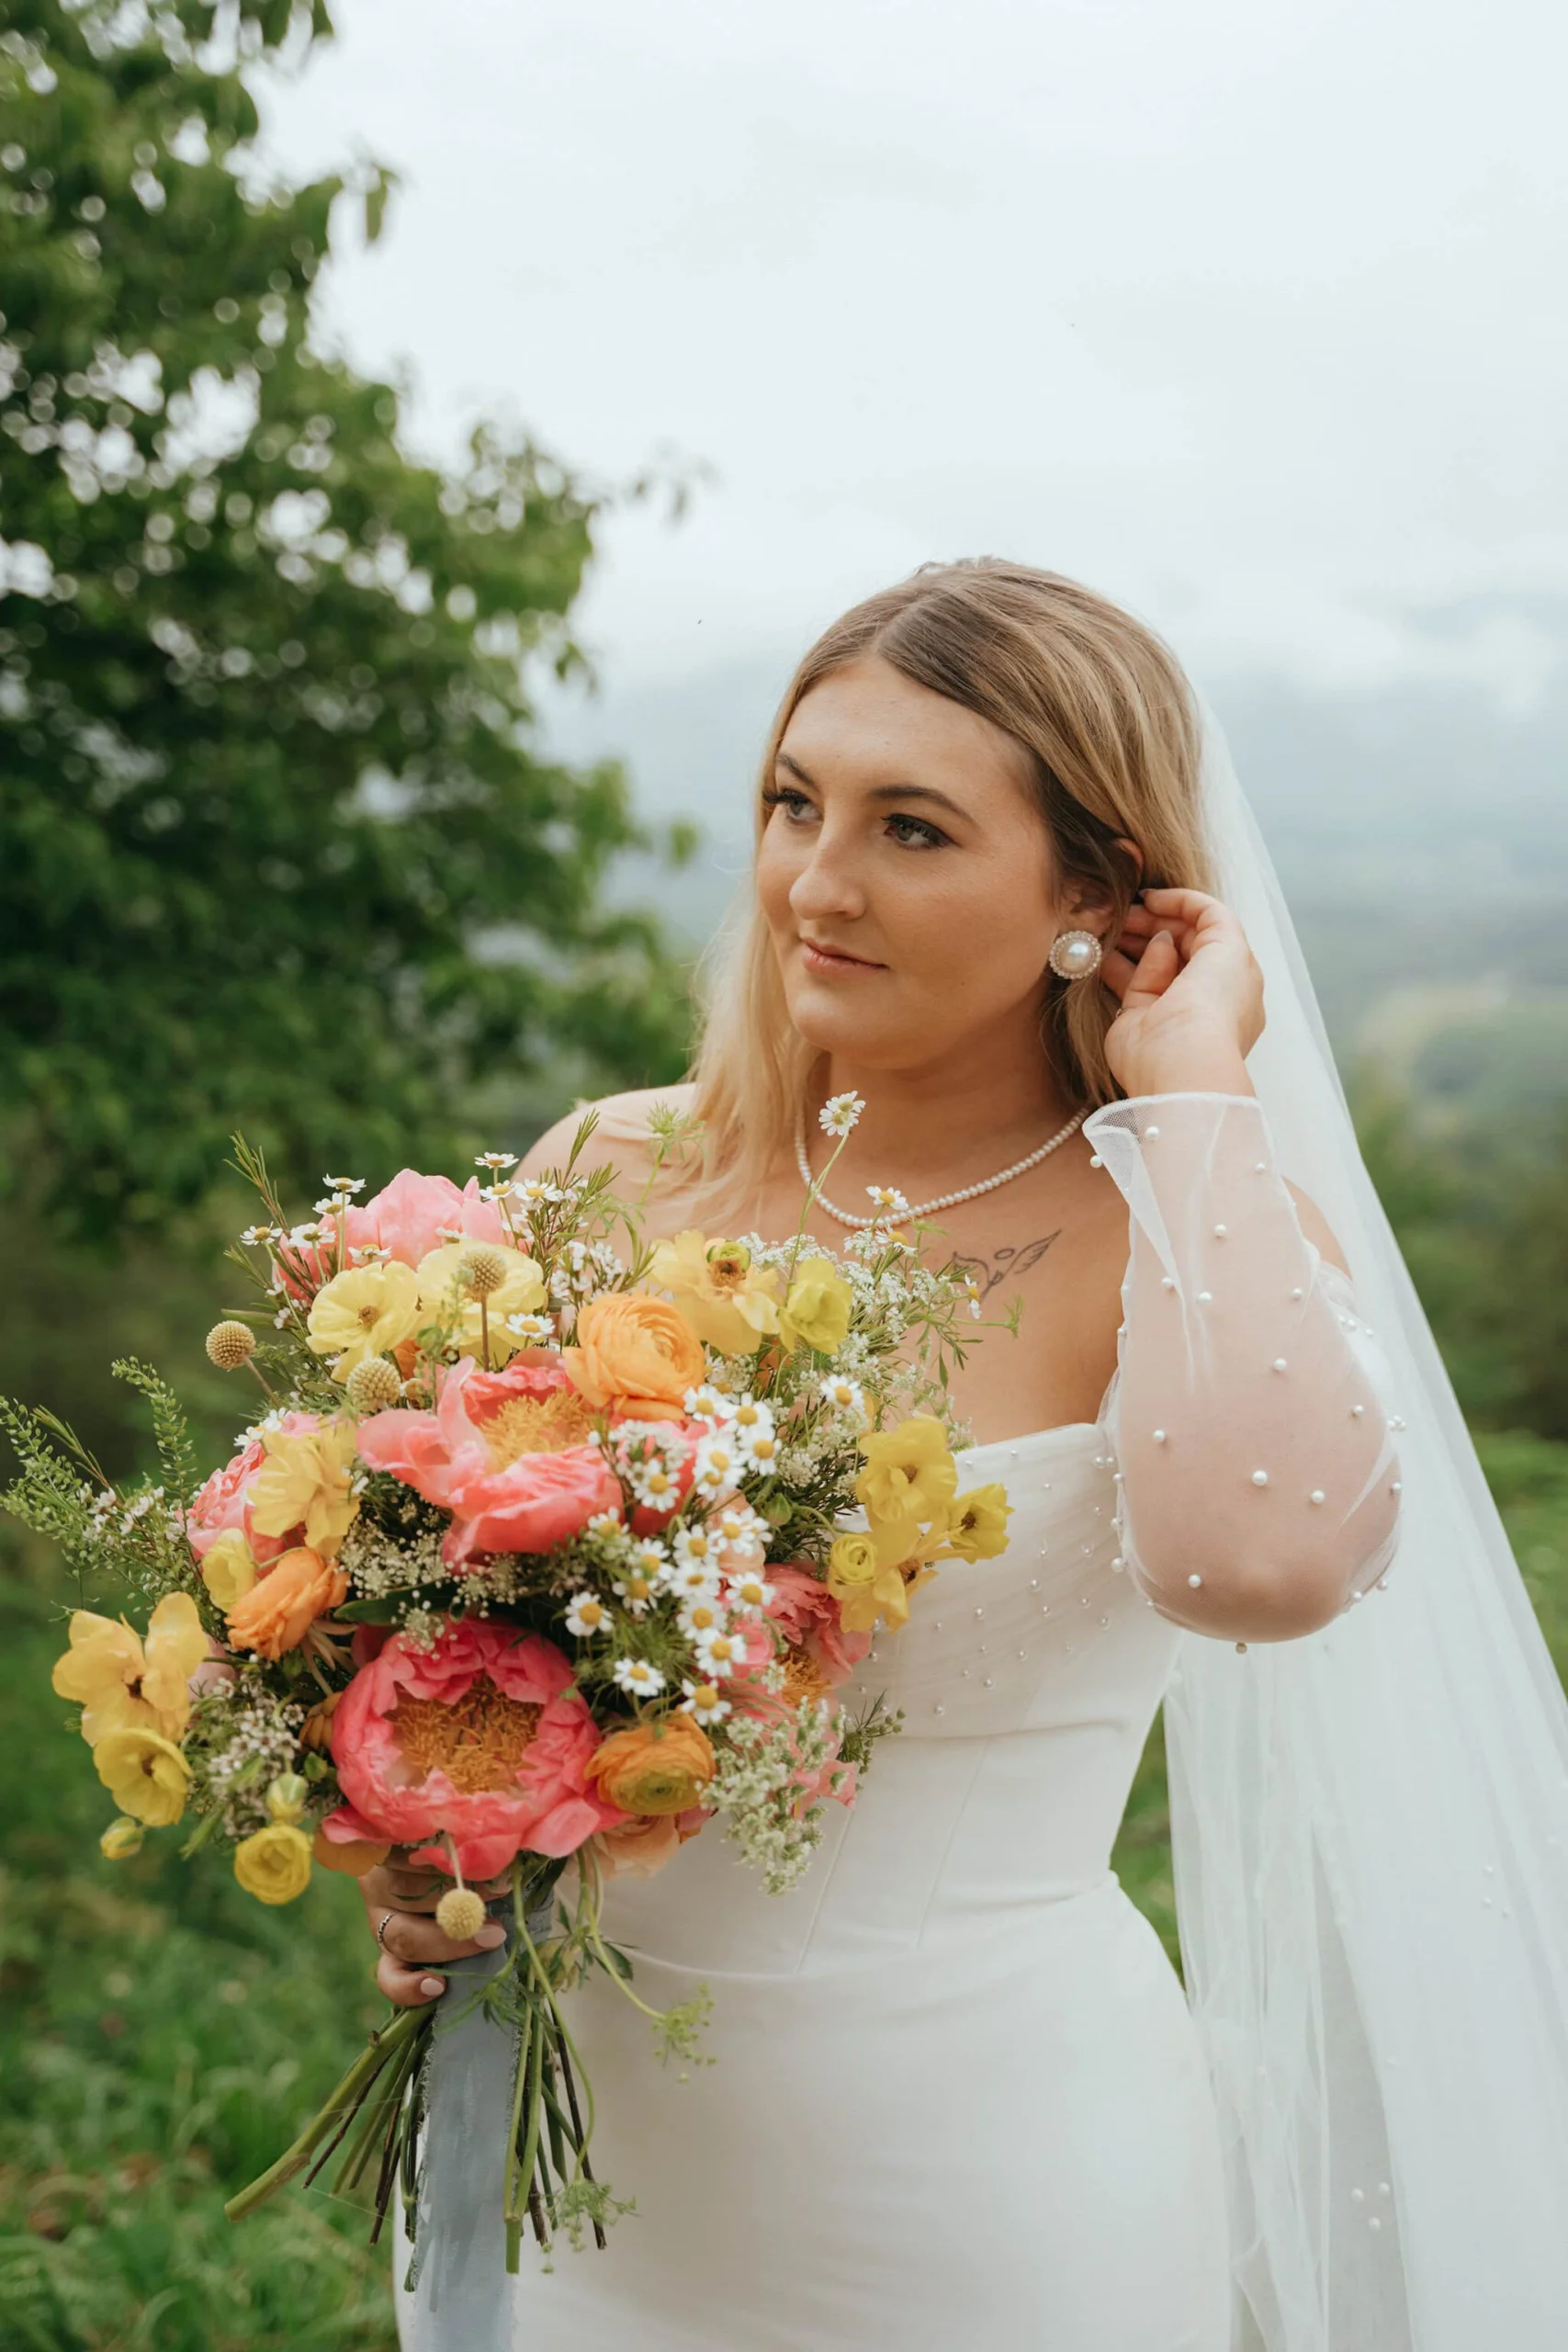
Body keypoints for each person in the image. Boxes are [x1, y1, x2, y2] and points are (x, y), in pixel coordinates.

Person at [364, 562, 1568, 2351]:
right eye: (794, 800)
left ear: (1097, 893)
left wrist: (1192, 1096)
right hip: (562, 2158)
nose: (817, 880)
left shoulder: (1180, 1225)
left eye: (911, 827)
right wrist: (421, 1835)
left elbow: (1261, 1563)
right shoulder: (603, 1170)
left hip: (977, 2184)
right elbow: (462, 1615)